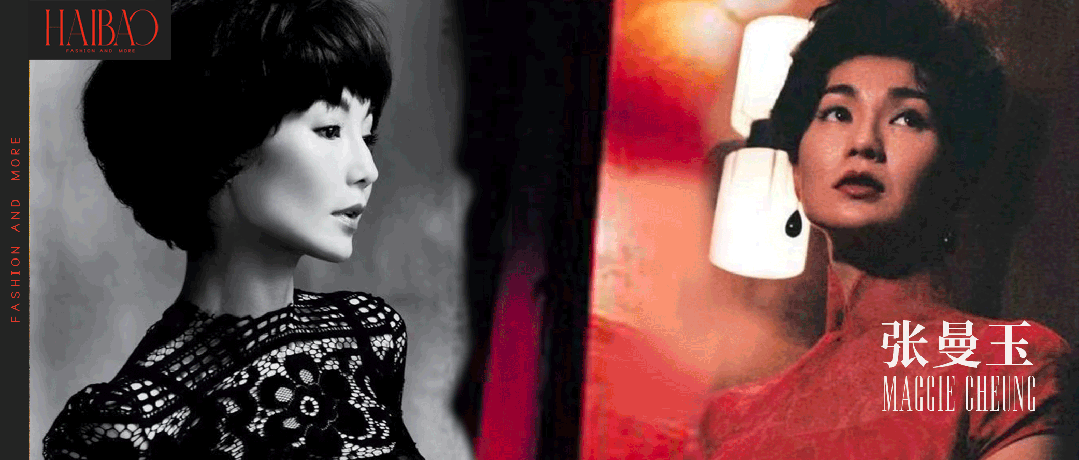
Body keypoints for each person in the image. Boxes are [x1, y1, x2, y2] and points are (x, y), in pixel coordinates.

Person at [42, 1, 425, 458]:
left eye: (367, 136)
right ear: (222, 143)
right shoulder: (129, 426)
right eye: (329, 130)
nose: (367, 170)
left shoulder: (368, 335)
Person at [699, 0, 1073, 458]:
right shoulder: (728, 418)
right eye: (837, 113)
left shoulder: (1008, 365)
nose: (864, 143)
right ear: (796, 171)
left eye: (908, 118)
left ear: (955, 174)